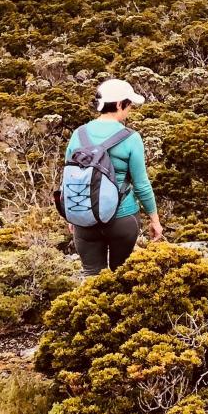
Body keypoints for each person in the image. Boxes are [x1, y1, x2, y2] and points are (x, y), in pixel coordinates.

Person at [66, 78, 163, 273]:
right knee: (121, 276)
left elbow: (69, 175)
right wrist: (155, 220)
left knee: (93, 277)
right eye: (129, 105)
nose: (130, 110)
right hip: (123, 219)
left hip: (85, 217)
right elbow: (141, 184)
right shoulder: (131, 138)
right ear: (119, 104)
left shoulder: (79, 134)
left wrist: (72, 216)